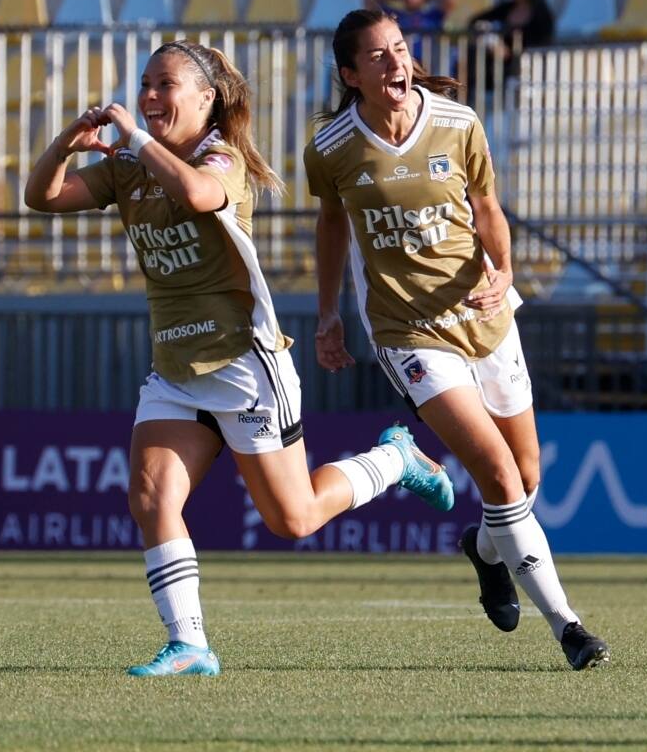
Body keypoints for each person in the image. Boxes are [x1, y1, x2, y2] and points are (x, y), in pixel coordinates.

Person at [25, 39, 456, 678]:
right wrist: (68, 142)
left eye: (165, 84)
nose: (149, 96)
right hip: (176, 370)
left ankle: (394, 459)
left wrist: (133, 139)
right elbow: (42, 197)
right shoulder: (127, 166)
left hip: (243, 364)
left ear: (206, 99)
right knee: (150, 497)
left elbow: (200, 195)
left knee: (293, 518)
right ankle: (190, 645)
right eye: (145, 84)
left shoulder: (219, 156)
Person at [303, 9, 609, 671]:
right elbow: (331, 224)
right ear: (350, 75)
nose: (397, 62)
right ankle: (570, 628)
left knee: (524, 475)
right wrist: (327, 314)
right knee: (497, 473)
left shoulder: (458, 122)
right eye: (378, 55)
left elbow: (487, 209)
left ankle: (484, 549)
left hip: (484, 314)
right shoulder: (331, 147)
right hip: (407, 330)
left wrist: (506, 272)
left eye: (400, 48)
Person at [468, 0, 554, 83]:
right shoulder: (506, 8)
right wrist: (491, 40)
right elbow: (476, 21)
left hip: (528, 73)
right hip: (495, 72)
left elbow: (542, 44)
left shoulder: (542, 16)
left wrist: (510, 53)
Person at [365, 0, 452, 60]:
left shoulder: (432, 16)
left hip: (427, 63)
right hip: (403, 61)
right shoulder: (394, 16)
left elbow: (449, 1)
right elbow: (370, 1)